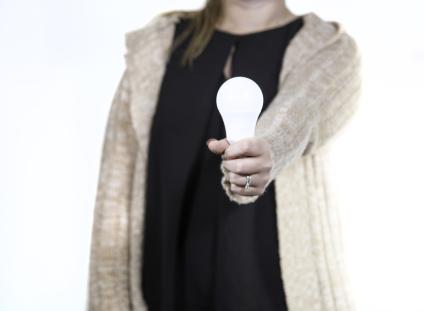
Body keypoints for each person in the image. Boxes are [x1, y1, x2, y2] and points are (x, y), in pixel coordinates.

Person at [87, 0, 362, 310]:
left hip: (271, 296)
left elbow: (302, 112)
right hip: (166, 294)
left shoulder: (328, 49)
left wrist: (268, 149)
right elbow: (116, 190)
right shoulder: (155, 48)